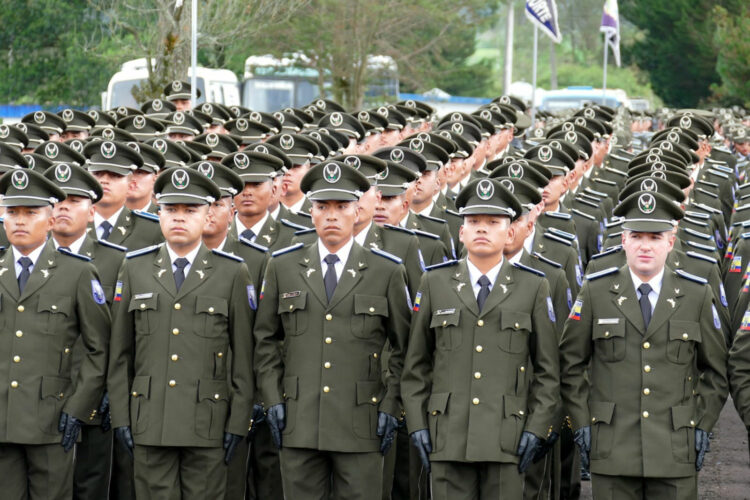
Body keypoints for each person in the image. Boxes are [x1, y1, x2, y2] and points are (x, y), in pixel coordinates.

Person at [253, 160, 411, 499]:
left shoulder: (385, 271)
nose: (332, 215)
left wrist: (390, 405)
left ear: (358, 211)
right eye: (323, 206)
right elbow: (265, 340)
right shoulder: (283, 266)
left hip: (361, 421)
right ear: (311, 213)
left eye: (342, 206)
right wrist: (272, 399)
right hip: (298, 420)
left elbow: (403, 348)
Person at [559, 190, 728, 499]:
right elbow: (570, 365)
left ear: (670, 242)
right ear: (623, 241)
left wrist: (701, 424)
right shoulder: (596, 293)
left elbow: (715, 371)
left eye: (655, 237)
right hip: (612, 447)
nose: (645, 246)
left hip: (675, 450)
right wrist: (582, 421)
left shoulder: (696, 295)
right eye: (637, 236)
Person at [401, 178, 560, 499]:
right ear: (461, 232)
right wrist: (417, 425)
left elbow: (547, 373)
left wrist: (536, 428)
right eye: (473, 222)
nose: (482, 229)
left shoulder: (533, 287)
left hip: (507, 438)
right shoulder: (435, 283)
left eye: (493, 222)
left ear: (509, 232)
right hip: (447, 437)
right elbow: (416, 366)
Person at [108, 167, 255, 499]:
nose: (179, 218)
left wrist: (237, 423)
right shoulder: (135, 268)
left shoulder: (232, 273)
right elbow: (120, 356)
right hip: (149, 422)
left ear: (207, 216)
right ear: (158, 214)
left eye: (190, 210)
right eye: (171, 210)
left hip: (208, 424)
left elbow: (244, 360)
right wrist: (122, 418)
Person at [0, 168, 110, 500]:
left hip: (52, 419)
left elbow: (97, 348)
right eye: (12, 212)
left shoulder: (76, 272)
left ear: (50, 220)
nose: (20, 221)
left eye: (31, 213)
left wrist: (77, 408)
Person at [43, 163, 128, 500]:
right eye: (58, 200)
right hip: (38, 403)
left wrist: (112, 392)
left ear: (92, 212)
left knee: (91, 487)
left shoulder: (119, 262)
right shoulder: (22, 261)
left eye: (74, 199)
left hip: (94, 402)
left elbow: (123, 337)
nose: (64, 206)